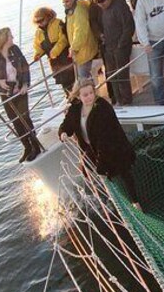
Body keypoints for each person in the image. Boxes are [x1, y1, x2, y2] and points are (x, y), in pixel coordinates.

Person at [59, 79, 141, 210]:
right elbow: (67, 124)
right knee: (87, 168)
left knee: (124, 172)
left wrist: (100, 167)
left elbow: (105, 140)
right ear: (78, 96)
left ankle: (135, 202)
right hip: (91, 147)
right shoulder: (75, 108)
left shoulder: (102, 108)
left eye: (91, 93)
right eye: (85, 95)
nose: (89, 97)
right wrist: (63, 132)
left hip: (114, 146)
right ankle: (105, 196)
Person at [0, 27, 43, 162]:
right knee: (15, 122)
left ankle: (36, 146)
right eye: (10, 36)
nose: (13, 38)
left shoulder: (15, 50)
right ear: (4, 39)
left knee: (25, 118)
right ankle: (27, 147)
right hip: (7, 95)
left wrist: (26, 84)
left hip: (20, 91)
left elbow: (25, 67)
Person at [94, 0, 135, 105]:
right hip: (109, 47)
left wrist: (121, 45)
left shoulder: (120, 6)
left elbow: (129, 26)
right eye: (99, 3)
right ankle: (118, 100)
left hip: (121, 47)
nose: (101, 5)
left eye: (102, 2)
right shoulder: (103, 9)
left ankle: (127, 101)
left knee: (122, 76)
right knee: (112, 76)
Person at [31, 6, 74, 94]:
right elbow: (38, 45)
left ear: (47, 16)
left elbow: (64, 39)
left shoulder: (58, 23)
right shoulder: (38, 32)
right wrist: (37, 54)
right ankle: (70, 99)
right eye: (37, 22)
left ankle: (78, 98)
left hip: (65, 58)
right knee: (64, 83)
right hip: (54, 62)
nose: (40, 23)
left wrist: (55, 51)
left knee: (72, 79)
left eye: (41, 20)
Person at [62, 0, 100, 80]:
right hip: (83, 49)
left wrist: (74, 47)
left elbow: (81, 31)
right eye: (63, 2)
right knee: (83, 76)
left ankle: (90, 93)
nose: (65, 4)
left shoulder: (79, 11)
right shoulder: (73, 10)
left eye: (67, 1)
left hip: (84, 50)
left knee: (83, 78)